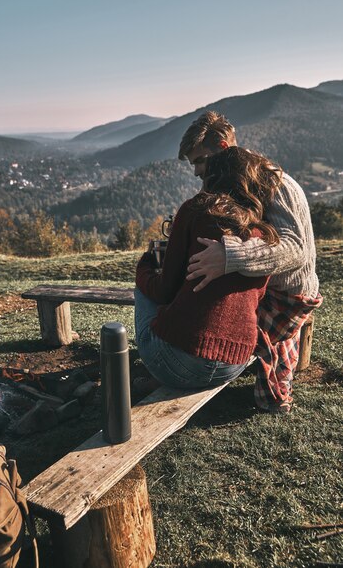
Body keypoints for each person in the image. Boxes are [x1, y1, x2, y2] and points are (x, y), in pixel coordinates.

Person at [178, 111, 322, 413]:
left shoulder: (275, 183)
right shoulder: (238, 180)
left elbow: (294, 249)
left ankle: (182, 366)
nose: (196, 172)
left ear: (222, 146)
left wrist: (229, 256)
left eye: (200, 161)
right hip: (267, 287)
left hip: (287, 296)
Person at [135, 146, 277, 392]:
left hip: (179, 363)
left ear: (214, 176)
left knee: (144, 289)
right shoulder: (263, 231)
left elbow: (163, 291)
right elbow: (257, 296)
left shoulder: (196, 210)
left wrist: (144, 266)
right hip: (234, 364)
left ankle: (163, 369)